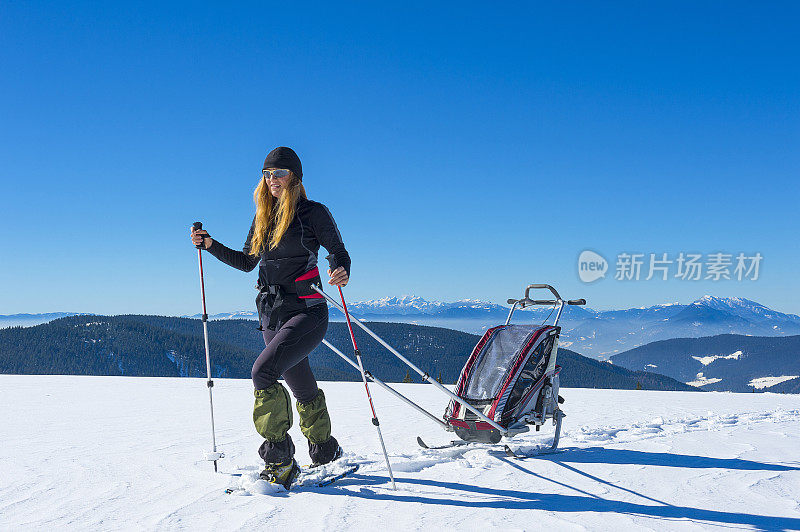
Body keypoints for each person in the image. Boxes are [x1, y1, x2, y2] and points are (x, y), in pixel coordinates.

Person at [189, 146, 350, 489]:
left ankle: (280, 459)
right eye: (267, 174)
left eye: (279, 173)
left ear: (295, 177)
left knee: (262, 372)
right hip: (272, 315)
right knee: (301, 384)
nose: (272, 180)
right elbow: (247, 262)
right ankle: (324, 449)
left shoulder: (313, 213)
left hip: (308, 311)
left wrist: (340, 269)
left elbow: (338, 251)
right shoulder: (264, 216)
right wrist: (210, 244)